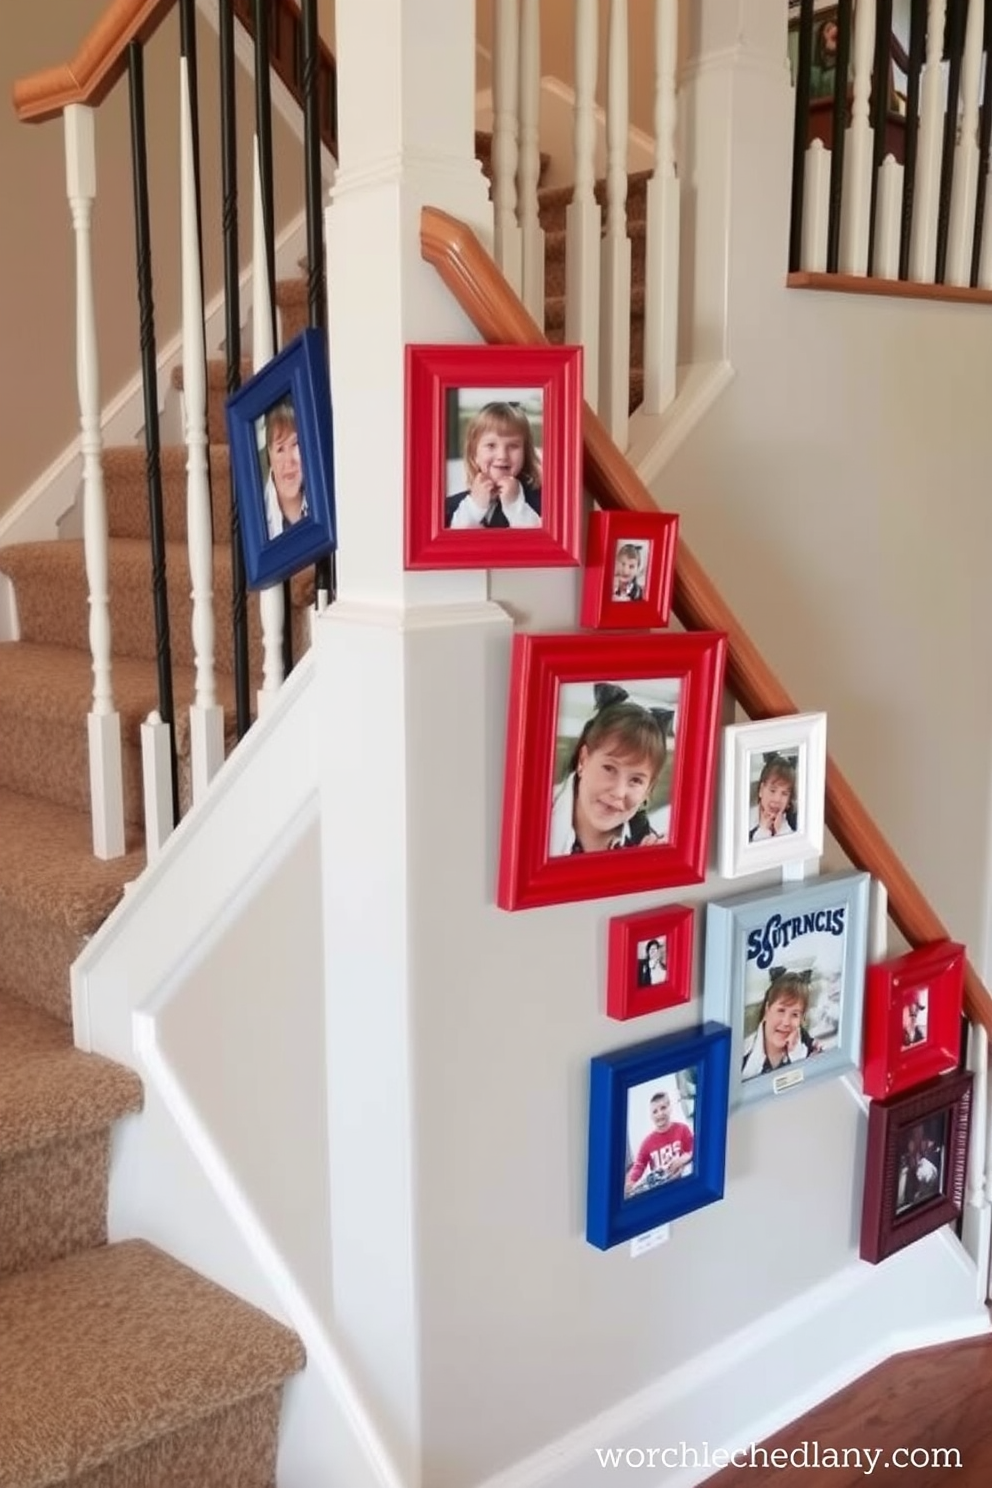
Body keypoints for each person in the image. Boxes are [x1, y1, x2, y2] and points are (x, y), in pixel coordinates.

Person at [548, 683, 673, 856]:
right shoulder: (533, 821)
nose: (619, 792)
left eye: (636, 780)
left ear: (648, 790)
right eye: (609, 768)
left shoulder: (649, 847)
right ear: (583, 760)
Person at [444, 401, 542, 529]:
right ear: (474, 454)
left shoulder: (544, 502)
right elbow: (450, 546)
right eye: (491, 445)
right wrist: (475, 506)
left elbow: (542, 545)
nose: (502, 455)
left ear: (526, 453)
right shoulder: (450, 507)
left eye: (513, 446)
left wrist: (515, 506)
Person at [741, 968, 823, 1081]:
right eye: (781, 1010)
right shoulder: (739, 1057)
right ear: (767, 1009)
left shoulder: (814, 1054)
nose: (786, 1022)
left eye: (795, 1014)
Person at [624, 1090, 693, 1196]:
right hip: (662, 1190)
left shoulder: (682, 1129)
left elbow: (693, 1149)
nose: (660, 1113)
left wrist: (683, 1159)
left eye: (663, 1108)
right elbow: (639, 1165)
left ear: (670, 1108)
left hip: (684, 1183)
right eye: (655, 1111)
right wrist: (631, 1181)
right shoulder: (647, 1143)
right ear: (651, 1116)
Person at [263, 400, 308, 538]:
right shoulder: (257, 512)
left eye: (295, 444)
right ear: (269, 456)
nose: (289, 460)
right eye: (280, 449)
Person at [749, 752, 797, 841]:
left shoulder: (793, 824)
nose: (777, 799)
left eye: (784, 794)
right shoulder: (745, 821)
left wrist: (780, 830)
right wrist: (763, 830)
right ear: (761, 790)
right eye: (772, 791)